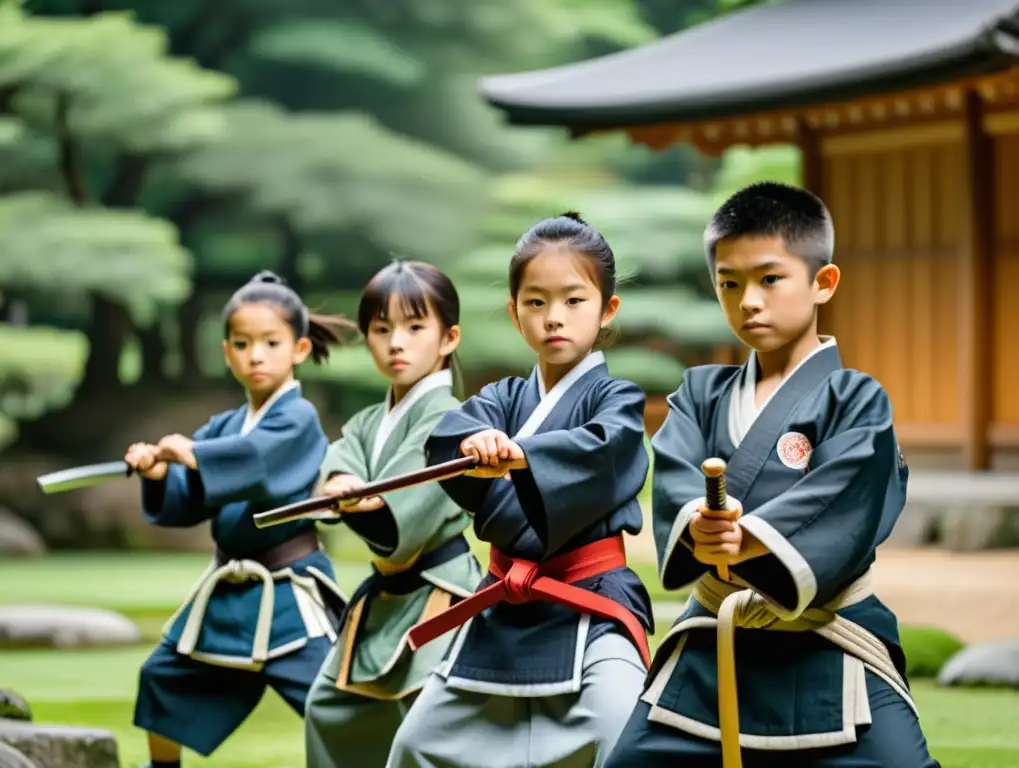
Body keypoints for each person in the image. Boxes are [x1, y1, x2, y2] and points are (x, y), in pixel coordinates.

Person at [604, 182, 938, 767]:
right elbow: (679, 477)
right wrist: (701, 528)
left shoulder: (855, 399)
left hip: (829, 642)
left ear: (822, 282)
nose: (748, 301)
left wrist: (750, 537)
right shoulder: (700, 393)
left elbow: (846, 497)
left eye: (769, 279)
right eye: (729, 284)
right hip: (714, 639)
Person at [386, 212, 654, 768]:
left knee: (626, 736)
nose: (554, 317)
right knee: (416, 744)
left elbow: (608, 450)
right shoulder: (503, 397)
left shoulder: (617, 399)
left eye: (574, 301)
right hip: (503, 607)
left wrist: (523, 455)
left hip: (592, 602)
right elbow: (448, 438)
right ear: (515, 313)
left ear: (608, 309)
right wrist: (476, 446)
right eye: (535, 302)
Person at [127, 271, 355, 768]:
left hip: (290, 594)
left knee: (336, 702)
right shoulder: (225, 426)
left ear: (298, 349)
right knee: (162, 676)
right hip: (229, 593)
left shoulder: (297, 419)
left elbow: (254, 463)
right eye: (242, 344)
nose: (256, 355)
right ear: (227, 352)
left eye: (270, 343)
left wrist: (192, 453)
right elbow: (188, 499)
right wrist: (160, 469)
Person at [304, 260, 481, 767]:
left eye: (414, 327)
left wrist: (363, 499)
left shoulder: (450, 418)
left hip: (441, 595)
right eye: (381, 330)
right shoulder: (367, 421)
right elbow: (343, 460)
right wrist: (342, 485)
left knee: (423, 723)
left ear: (448, 338)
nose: (396, 342)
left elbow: (397, 520)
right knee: (329, 706)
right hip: (386, 598)